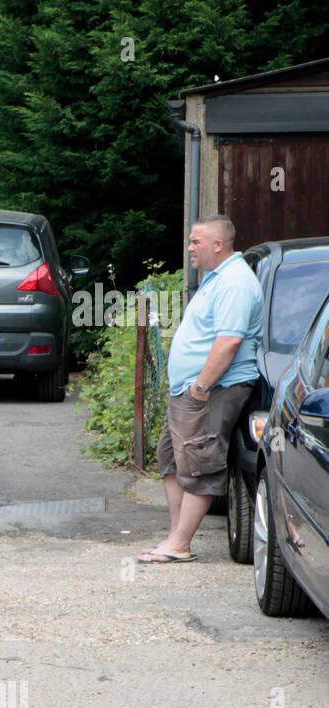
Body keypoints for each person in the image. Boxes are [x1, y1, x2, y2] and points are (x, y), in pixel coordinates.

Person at [140, 215, 260, 564]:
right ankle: (176, 537)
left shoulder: (235, 282)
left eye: (196, 242)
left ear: (217, 245)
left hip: (212, 389)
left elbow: (229, 342)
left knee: (198, 464)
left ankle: (179, 545)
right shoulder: (216, 278)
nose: (190, 248)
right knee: (171, 459)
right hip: (192, 391)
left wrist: (200, 388)